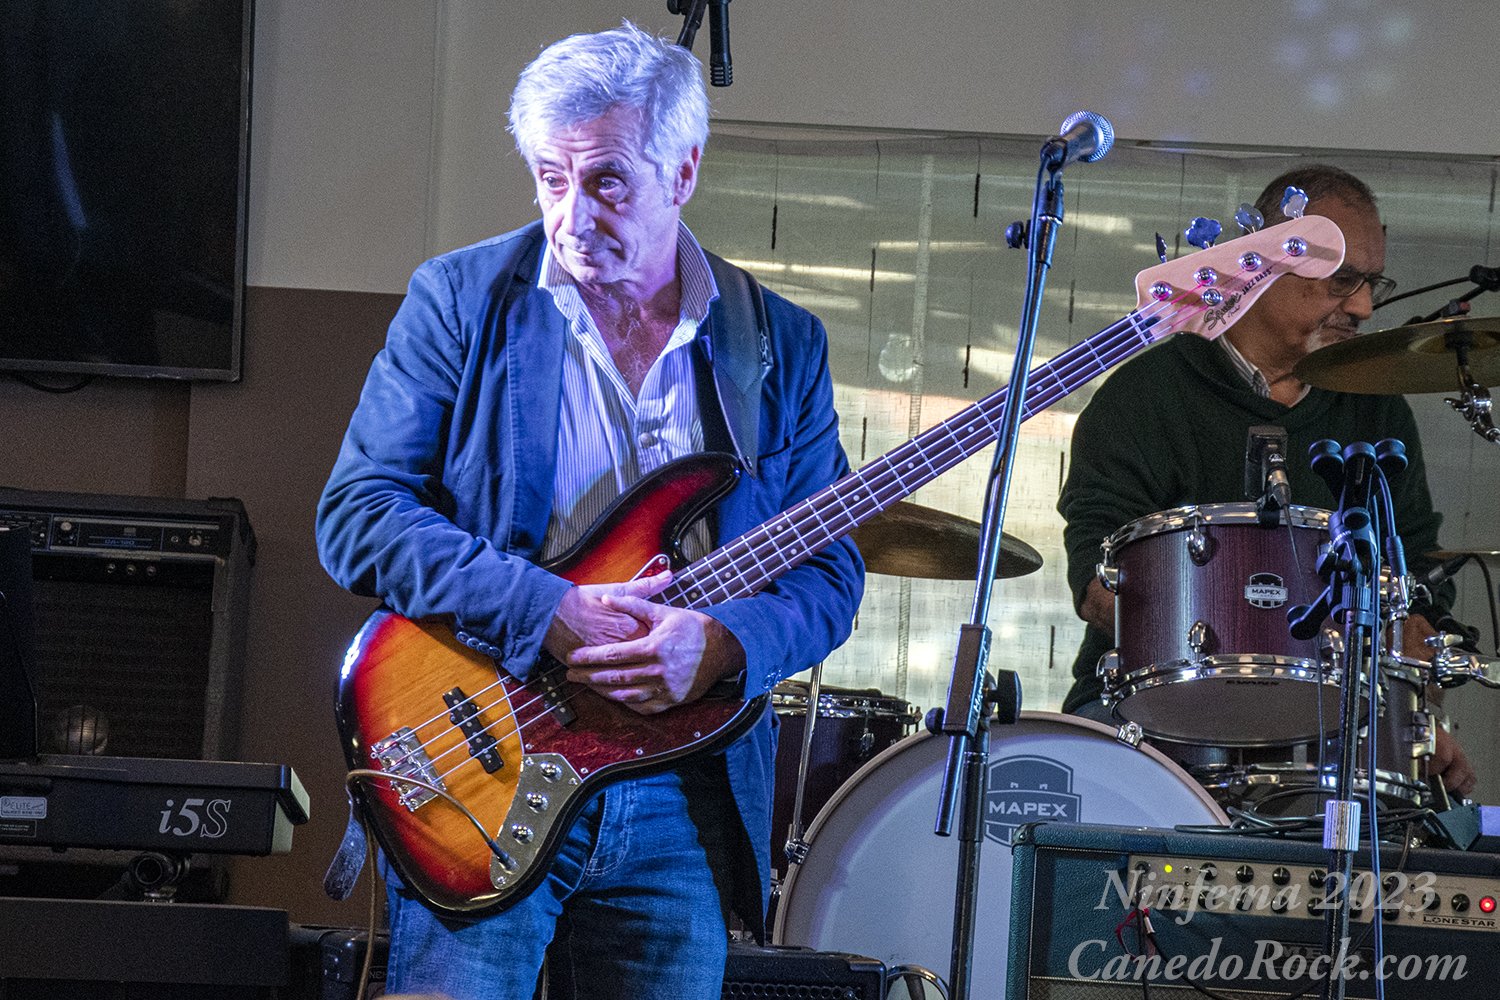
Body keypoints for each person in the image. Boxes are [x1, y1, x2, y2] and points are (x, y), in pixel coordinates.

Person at [315, 23, 862, 1000]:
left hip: (681, 792)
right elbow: (358, 512)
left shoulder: (779, 343)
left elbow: (828, 574)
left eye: (606, 180)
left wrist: (727, 643)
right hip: (480, 753)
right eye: (548, 178)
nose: (571, 216)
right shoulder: (460, 299)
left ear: (684, 167)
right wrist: (547, 611)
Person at [1057, 163, 1477, 798]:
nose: (1364, 307)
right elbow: (1098, 588)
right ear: (1266, 263)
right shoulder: (1142, 397)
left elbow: (1413, 572)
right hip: (1150, 721)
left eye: (1372, 282)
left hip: (1335, 723)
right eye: (1343, 281)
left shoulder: (1378, 408)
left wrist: (1413, 698)